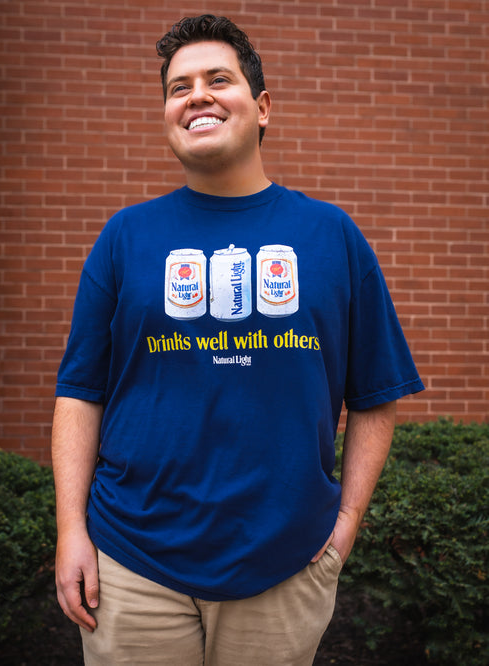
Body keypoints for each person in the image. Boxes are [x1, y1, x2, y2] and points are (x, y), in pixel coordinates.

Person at [52, 14, 424, 666]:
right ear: (167, 114)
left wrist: (342, 531)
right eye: (177, 86)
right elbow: (79, 392)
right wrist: (71, 531)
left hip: (283, 562)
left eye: (216, 80)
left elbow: (375, 393)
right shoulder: (124, 238)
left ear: (261, 107)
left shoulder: (330, 236)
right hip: (132, 560)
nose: (195, 95)